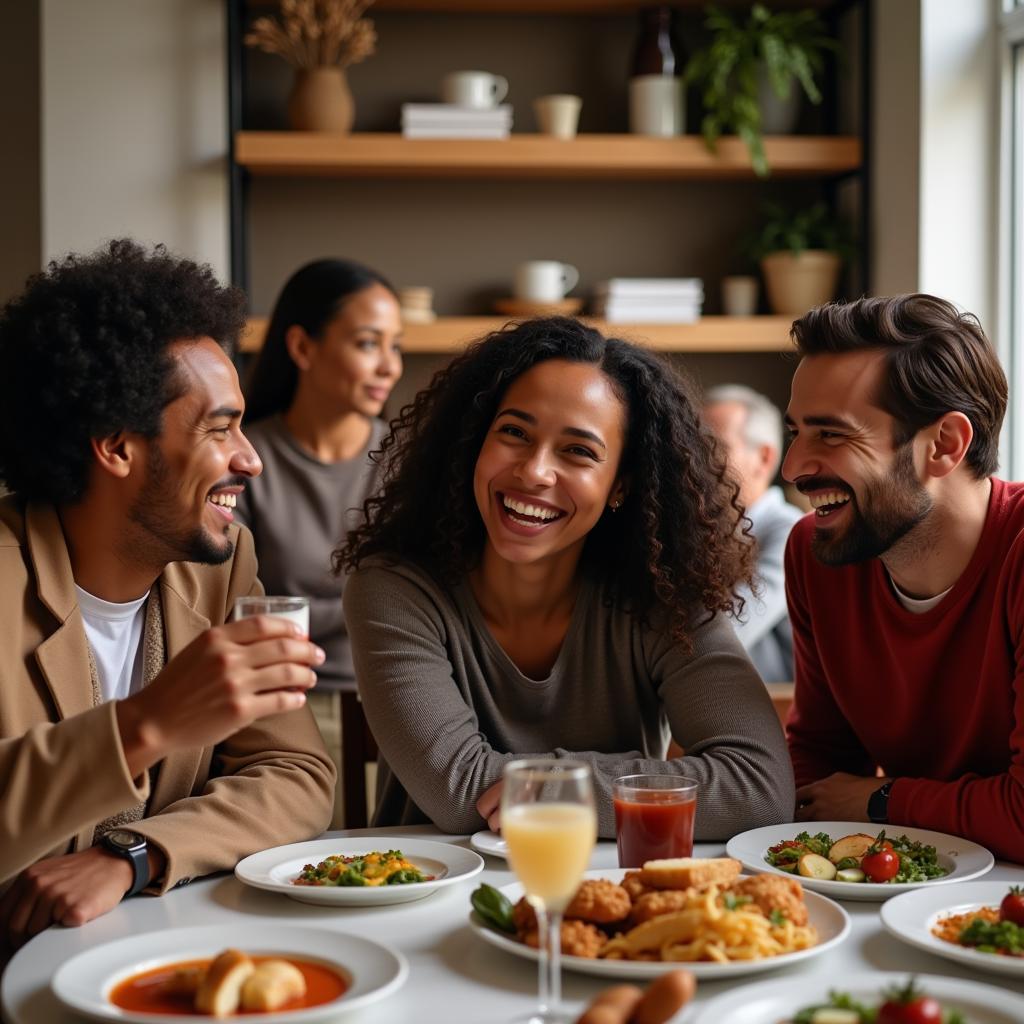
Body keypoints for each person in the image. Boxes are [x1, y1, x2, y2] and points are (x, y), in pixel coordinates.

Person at [0, 240, 336, 952]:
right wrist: (145, 723)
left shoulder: (221, 565)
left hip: (146, 957)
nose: (250, 458)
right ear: (117, 446)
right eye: (220, 429)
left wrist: (133, 854)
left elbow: (296, 771)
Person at [339, 316, 794, 838]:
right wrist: (641, 786)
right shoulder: (394, 588)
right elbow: (459, 795)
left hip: (612, 893)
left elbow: (759, 791)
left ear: (621, 484)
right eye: (514, 432)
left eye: (578, 451)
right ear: (473, 444)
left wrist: (548, 785)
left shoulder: (663, 593)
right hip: (425, 898)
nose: (534, 471)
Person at [781, 293, 1024, 861]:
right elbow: (820, 759)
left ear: (944, 445)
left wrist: (881, 800)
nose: (793, 467)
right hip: (929, 884)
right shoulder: (819, 552)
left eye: (831, 435)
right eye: (795, 431)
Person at [236, 259, 403, 696]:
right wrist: (371, 607)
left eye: (395, 347)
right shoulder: (244, 460)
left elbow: (430, 603)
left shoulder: (410, 461)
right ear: (303, 348)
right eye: (369, 344)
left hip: (400, 698)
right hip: (279, 698)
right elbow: (232, 611)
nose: (390, 367)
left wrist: (298, 613)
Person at [704, 385, 803, 682]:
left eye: (713, 448)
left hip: (778, 713)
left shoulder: (791, 531)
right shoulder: (699, 528)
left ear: (764, 458)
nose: (694, 460)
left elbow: (731, 628)